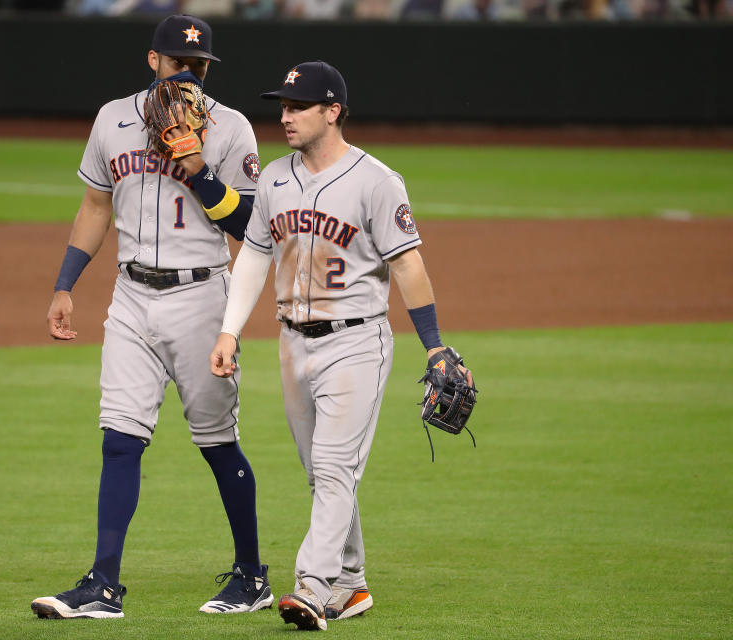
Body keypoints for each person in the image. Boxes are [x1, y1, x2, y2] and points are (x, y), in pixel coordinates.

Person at [209, 61, 473, 631]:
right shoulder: (275, 178)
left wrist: (433, 346)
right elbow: (255, 256)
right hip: (290, 343)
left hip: (356, 341)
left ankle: (312, 584)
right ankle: (351, 585)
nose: (285, 116)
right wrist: (230, 329)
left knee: (332, 467)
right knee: (322, 471)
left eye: (298, 106)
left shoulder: (377, 181)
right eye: (282, 106)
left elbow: (408, 264)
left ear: (333, 111)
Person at [31, 14, 272, 620]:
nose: (187, 74)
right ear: (152, 60)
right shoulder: (112, 118)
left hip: (201, 297)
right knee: (120, 437)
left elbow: (247, 227)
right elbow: (94, 204)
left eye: (199, 66)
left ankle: (251, 574)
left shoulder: (231, 127)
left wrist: (197, 167)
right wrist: (65, 284)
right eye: (177, 63)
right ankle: (102, 585)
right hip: (131, 296)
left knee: (217, 443)